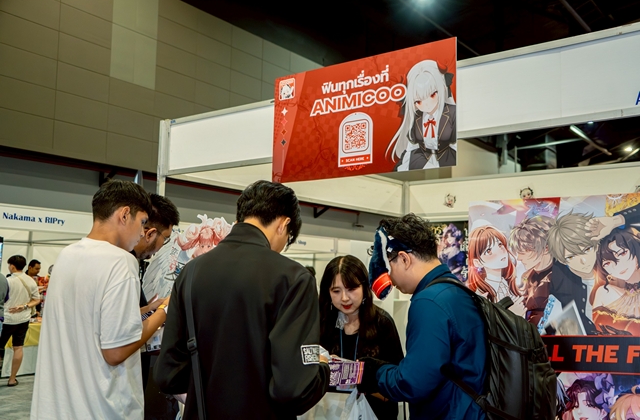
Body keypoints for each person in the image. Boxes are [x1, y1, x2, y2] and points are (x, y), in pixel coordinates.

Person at [154, 180, 330, 419]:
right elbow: (293, 389)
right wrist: (322, 368)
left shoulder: (191, 273)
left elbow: (168, 375)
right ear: (284, 224)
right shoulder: (293, 278)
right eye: (288, 238)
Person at [31, 179, 167, 419]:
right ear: (124, 215)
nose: (141, 234)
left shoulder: (67, 255)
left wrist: (146, 309)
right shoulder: (120, 261)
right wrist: (165, 310)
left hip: (59, 407)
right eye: (142, 222)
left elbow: (90, 320)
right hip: (102, 408)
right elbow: (116, 351)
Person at [358, 214, 487, 419]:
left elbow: (413, 383)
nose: (389, 278)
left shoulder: (428, 301)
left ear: (404, 259)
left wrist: (374, 372)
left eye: (388, 267)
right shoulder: (455, 291)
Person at [319, 255, 404, 419]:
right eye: (336, 291)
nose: (344, 298)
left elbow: (398, 383)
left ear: (364, 287)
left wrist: (356, 378)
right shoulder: (322, 323)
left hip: (375, 413)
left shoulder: (382, 323)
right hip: (330, 413)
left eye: (351, 289)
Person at [130, 193, 180, 394]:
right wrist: (165, 310)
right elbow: (122, 339)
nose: (160, 248)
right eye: (165, 238)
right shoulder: (124, 266)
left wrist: (147, 309)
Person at [386, 60, 457, 171]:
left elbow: (456, 144)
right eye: (418, 101)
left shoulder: (452, 112)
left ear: (442, 88)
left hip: (447, 159)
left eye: (432, 95)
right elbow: (412, 146)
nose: (427, 105)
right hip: (420, 160)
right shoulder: (416, 117)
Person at [547, 212, 599, 334]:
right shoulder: (557, 278)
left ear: (596, 245)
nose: (583, 260)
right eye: (572, 256)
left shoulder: (614, 268)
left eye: (587, 249)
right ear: (561, 260)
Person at [591, 227, 640, 335]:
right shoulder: (606, 292)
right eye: (607, 263)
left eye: (622, 253)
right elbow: (595, 330)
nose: (617, 265)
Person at [0, 255, 40, 386]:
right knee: (18, 347)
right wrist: (24, 306)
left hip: (7, 319)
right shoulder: (31, 281)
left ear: (12, 266)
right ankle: (12, 379)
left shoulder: (7, 281)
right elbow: (37, 299)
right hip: (23, 319)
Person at [509, 215, 555, 326]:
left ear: (546, 248)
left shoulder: (559, 279)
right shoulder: (526, 275)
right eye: (518, 252)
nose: (519, 258)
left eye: (524, 251)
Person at [468, 225, 525, 313]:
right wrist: (511, 315)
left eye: (500, 244)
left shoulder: (508, 284)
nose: (499, 252)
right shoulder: (482, 295)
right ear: (477, 262)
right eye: (489, 251)